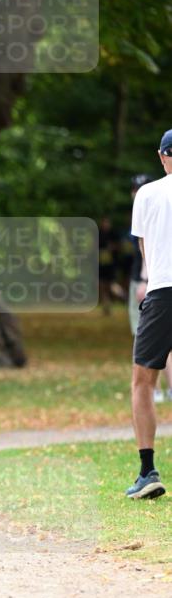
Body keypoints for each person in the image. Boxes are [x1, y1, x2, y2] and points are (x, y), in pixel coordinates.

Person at [126, 129, 172, 499]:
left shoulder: (146, 194)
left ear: (162, 156)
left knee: (144, 381)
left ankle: (147, 470)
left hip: (162, 292)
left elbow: (146, 252)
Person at [128, 175, 172, 404]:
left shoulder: (149, 198)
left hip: (157, 285)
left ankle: (158, 391)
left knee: (150, 350)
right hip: (156, 282)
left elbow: (144, 246)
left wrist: (145, 279)